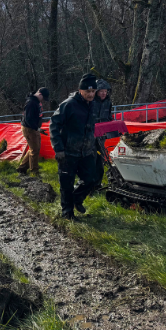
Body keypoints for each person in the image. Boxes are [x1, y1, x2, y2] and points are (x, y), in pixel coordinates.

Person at [49, 74, 97, 221]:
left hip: (86, 151)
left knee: (91, 179)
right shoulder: (68, 105)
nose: (91, 94)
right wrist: (58, 148)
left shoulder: (93, 104)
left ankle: (77, 198)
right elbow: (53, 125)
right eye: (87, 91)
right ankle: (67, 213)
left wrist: (93, 143)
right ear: (80, 90)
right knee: (66, 183)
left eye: (93, 91)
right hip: (68, 152)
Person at [16, 87, 49, 176]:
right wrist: (37, 128)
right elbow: (28, 119)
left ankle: (22, 168)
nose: (43, 100)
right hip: (29, 128)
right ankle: (34, 171)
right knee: (34, 150)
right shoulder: (31, 103)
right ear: (40, 94)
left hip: (34, 128)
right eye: (43, 98)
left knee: (34, 148)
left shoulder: (36, 102)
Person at [92, 79, 113, 189]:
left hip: (102, 135)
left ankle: (98, 183)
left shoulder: (108, 102)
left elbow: (109, 117)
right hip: (90, 135)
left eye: (105, 91)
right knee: (91, 158)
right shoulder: (91, 102)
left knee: (100, 158)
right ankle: (88, 184)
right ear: (96, 92)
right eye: (101, 91)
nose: (104, 93)